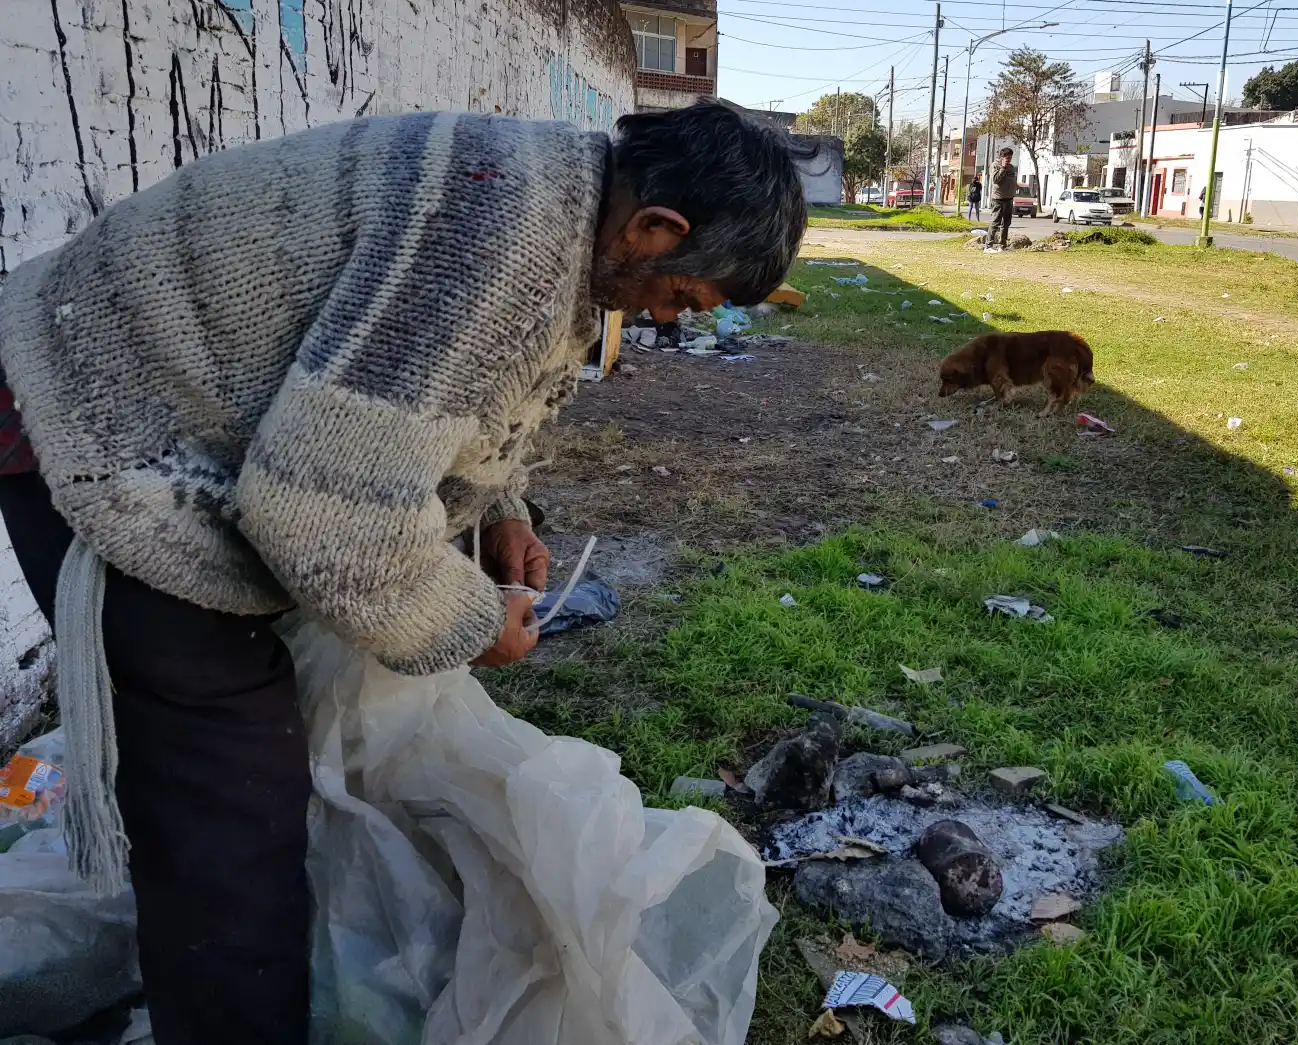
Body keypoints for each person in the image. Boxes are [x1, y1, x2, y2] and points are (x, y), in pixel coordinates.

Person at [0, 100, 806, 1045]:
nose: (667, 317)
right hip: (100, 418)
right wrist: (470, 623)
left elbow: (457, 400)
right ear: (655, 229)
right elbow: (321, 515)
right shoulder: (496, 238)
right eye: (684, 298)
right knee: (229, 796)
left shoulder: (565, 207)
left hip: (160, 400)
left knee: (266, 759)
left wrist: (502, 513)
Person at [985, 147, 1018, 250]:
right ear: (1001, 157)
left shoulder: (1011, 167)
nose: (1009, 160)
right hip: (998, 199)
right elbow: (995, 180)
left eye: (1010, 158)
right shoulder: (995, 166)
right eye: (1007, 157)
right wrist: (1003, 168)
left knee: (1006, 224)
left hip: (1009, 199)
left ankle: (1002, 245)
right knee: (995, 223)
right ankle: (988, 245)